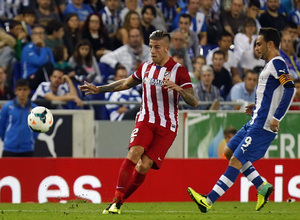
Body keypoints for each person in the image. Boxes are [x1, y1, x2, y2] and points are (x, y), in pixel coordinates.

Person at [80, 30, 198, 214]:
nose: (152, 51)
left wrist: (178, 89)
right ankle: (116, 199)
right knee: (134, 153)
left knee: (145, 165)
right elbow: (125, 83)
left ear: (166, 48)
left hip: (167, 126)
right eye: (150, 46)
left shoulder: (179, 71)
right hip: (146, 119)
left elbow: (194, 101)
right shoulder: (145, 67)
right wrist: (99, 89)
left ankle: (119, 203)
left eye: (157, 47)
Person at [187, 27, 296, 213]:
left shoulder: (278, 63)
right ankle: (261, 186)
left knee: (236, 160)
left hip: (262, 125)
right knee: (229, 152)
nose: (257, 48)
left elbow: (290, 88)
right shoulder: (270, 65)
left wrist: (277, 117)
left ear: (270, 44)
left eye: (259, 44)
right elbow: (271, 93)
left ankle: (208, 200)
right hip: (255, 120)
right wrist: (257, 106)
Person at [0, 79, 39, 157]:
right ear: (15, 91)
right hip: (9, 149)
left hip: (27, 150)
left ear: (29, 91)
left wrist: (29, 140)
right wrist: (8, 141)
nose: (22, 92)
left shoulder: (35, 109)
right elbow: (1, 126)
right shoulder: (7, 107)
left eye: (25, 89)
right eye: (20, 89)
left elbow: (37, 129)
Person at [21, 25, 54, 91]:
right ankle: (50, 90)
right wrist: (42, 47)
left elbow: (53, 64)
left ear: (44, 36)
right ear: (31, 36)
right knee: (47, 66)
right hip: (29, 79)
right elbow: (40, 63)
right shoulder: (27, 49)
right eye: (35, 33)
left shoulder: (47, 49)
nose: (38, 36)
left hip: (42, 78)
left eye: (41, 33)